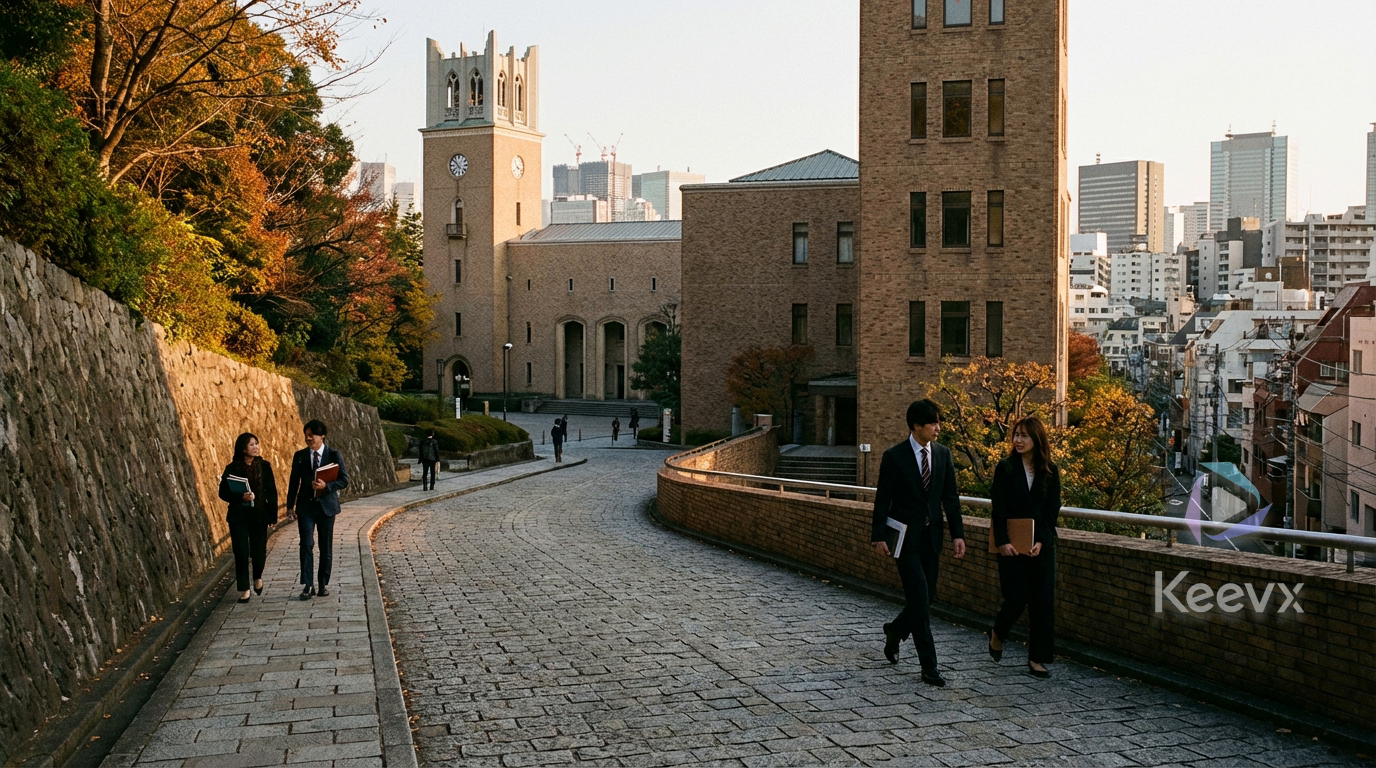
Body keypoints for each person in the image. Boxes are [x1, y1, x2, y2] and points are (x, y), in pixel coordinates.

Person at [870, 398, 966, 686]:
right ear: (916, 426)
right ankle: (929, 666)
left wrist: (958, 534)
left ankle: (895, 630)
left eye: (939, 422)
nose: (938, 428)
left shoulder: (943, 454)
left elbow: (951, 498)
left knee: (928, 595)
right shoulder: (894, 456)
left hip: (932, 537)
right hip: (905, 540)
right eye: (933, 423)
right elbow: (882, 499)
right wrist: (877, 536)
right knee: (920, 599)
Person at [988, 416, 1061, 679]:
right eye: (1016, 435)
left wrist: (1042, 540)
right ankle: (998, 631)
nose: (1018, 440)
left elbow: (1052, 510)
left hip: (1042, 545)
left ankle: (1037, 659)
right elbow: (999, 507)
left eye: (1025, 436)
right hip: (1012, 544)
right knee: (1016, 598)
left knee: (1042, 602)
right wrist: (1004, 541)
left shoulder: (1049, 470)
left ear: (1037, 439)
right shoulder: (1005, 468)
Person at [286, 419, 350, 600]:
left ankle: (323, 584)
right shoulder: (299, 456)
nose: (308, 438)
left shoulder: (334, 455)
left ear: (322, 436)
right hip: (305, 507)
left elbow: (344, 480)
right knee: (306, 544)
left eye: (311, 435)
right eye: (306, 435)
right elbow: (293, 482)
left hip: (326, 508)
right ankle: (308, 585)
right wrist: (290, 506)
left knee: (325, 547)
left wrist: (326, 486)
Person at [217, 433, 279, 603]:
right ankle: (244, 588)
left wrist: (272, 515)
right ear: (243, 448)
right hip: (239, 517)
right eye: (252, 444)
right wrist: (240, 497)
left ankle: (258, 576)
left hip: (259, 516)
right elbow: (223, 492)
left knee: (258, 551)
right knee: (241, 552)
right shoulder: (232, 468)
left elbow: (272, 491)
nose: (255, 447)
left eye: (257, 444)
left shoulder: (265, 466)